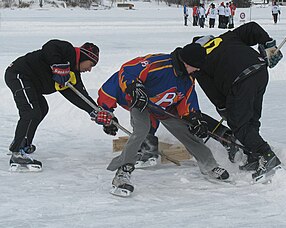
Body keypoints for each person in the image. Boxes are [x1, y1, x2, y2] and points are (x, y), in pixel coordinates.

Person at [94, 45, 230, 196]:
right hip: (142, 103)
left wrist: (195, 117)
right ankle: (123, 172)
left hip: (163, 107)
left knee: (185, 131)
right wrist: (135, 87)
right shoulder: (158, 64)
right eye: (196, 67)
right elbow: (127, 70)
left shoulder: (188, 78)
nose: (197, 70)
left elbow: (188, 99)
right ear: (186, 63)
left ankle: (209, 165)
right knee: (141, 130)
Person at [189, 22, 283, 182]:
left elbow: (214, 94)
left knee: (239, 124)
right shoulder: (227, 37)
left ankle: (267, 156)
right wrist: (269, 46)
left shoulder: (200, 62)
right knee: (251, 118)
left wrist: (225, 109)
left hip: (240, 81)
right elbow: (252, 27)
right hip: (260, 71)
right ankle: (254, 155)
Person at [4, 40, 100, 172]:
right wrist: (58, 66)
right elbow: (50, 46)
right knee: (31, 111)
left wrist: (95, 112)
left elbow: (80, 96)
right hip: (19, 74)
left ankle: (23, 144)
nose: (89, 69)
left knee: (42, 109)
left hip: (31, 83)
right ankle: (17, 153)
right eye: (91, 65)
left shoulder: (71, 75)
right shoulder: (67, 50)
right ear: (84, 57)